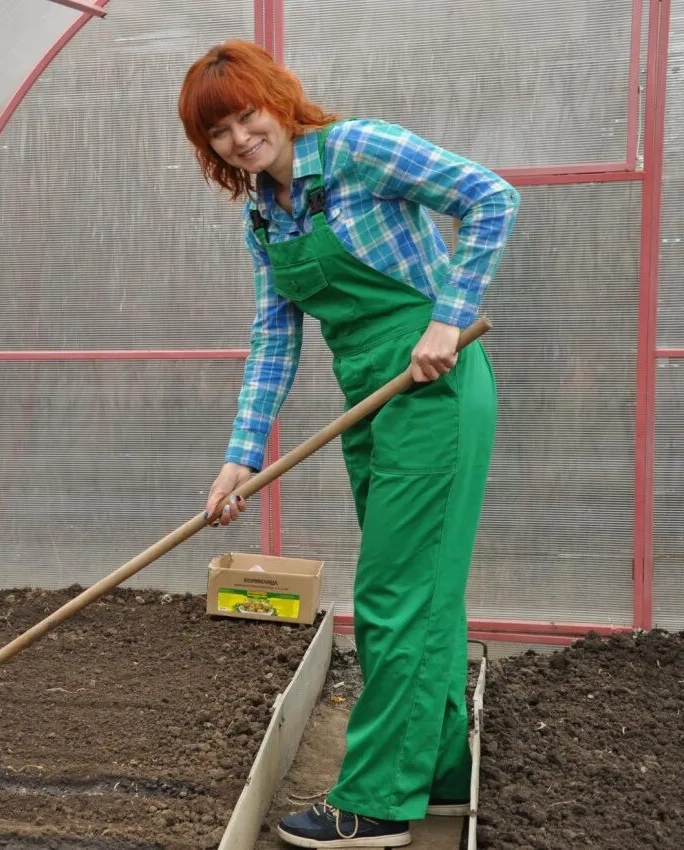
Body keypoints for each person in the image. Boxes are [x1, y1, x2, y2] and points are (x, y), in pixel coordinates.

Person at [177, 41, 518, 848]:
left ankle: (374, 803)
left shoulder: (359, 150)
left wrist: (446, 316)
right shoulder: (264, 215)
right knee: (424, 590)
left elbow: (491, 197)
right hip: (367, 391)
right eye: (218, 131)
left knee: (393, 594)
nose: (239, 137)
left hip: (431, 379)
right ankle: (434, 769)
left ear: (279, 101)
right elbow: (273, 338)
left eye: (247, 114)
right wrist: (241, 456)